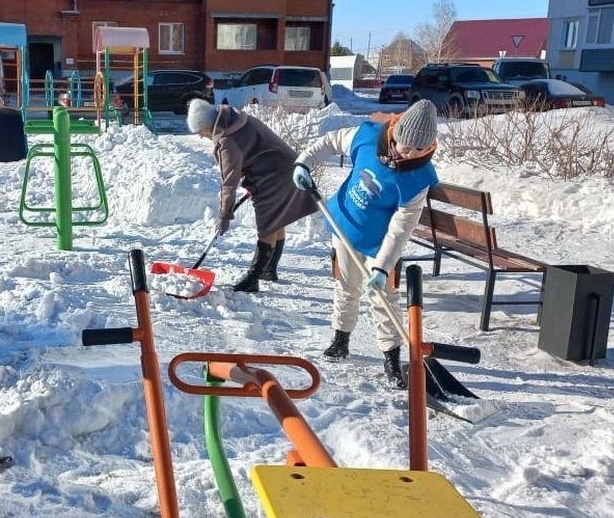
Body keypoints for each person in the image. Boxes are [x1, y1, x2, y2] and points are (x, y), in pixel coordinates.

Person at [291, 99, 440, 388]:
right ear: (395, 134)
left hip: (379, 244)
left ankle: (391, 356)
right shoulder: (368, 136)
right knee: (345, 286)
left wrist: (382, 268)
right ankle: (341, 337)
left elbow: (401, 229)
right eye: (404, 145)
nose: (407, 153)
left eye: (417, 150)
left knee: (383, 299)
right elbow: (330, 141)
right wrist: (303, 164)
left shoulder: (419, 179)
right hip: (343, 224)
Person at [186, 98, 317, 292]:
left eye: (200, 132)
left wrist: (224, 215)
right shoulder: (235, 119)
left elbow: (229, 183)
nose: (200, 137)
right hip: (285, 167)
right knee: (276, 220)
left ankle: (253, 278)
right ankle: (268, 269)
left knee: (267, 224)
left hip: (273, 175)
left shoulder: (227, 140)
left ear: (207, 125)